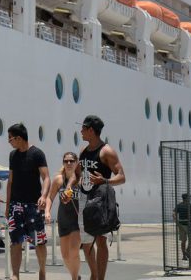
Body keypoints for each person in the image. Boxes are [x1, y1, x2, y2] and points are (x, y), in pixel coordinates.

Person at [75, 115, 126, 280]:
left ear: (91, 130)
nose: (81, 131)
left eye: (83, 128)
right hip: (84, 198)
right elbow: (78, 174)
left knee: (101, 241)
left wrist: (104, 180)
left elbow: (122, 176)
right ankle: (94, 275)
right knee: (86, 241)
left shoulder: (106, 151)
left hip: (100, 200)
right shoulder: (83, 151)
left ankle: (99, 278)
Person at [5, 123, 50, 280]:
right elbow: (10, 182)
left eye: (10, 138)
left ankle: (42, 270)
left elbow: (46, 177)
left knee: (39, 242)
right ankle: (15, 274)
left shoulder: (37, 153)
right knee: (15, 242)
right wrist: (7, 206)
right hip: (15, 205)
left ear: (18, 138)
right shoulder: (12, 155)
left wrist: (43, 196)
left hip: (33, 205)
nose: (9, 142)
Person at [45, 152, 82, 280]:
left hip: (78, 222)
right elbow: (50, 197)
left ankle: (74, 277)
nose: (69, 163)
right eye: (66, 161)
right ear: (63, 163)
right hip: (63, 220)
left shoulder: (81, 179)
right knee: (65, 256)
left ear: (77, 162)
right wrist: (47, 212)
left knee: (74, 251)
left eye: (72, 161)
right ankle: (76, 276)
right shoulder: (58, 179)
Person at [173, 193, 191, 261]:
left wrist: (176, 222)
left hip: (181, 225)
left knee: (183, 241)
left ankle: (184, 255)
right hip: (189, 225)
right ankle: (187, 250)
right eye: (189, 197)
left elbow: (174, 214)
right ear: (186, 198)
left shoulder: (179, 205)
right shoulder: (190, 206)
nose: (190, 199)